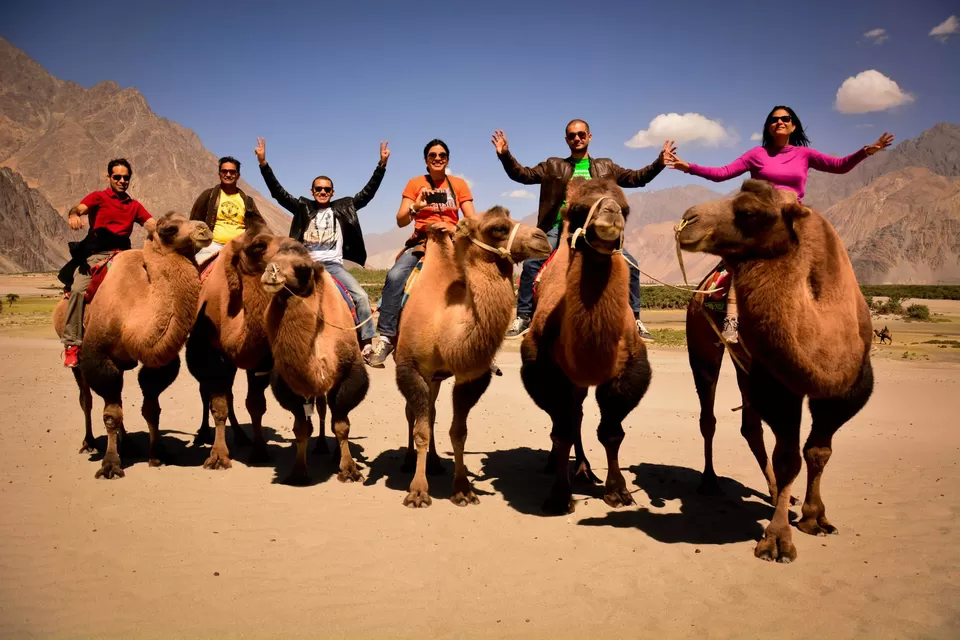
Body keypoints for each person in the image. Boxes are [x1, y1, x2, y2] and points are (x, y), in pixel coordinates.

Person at [666, 105, 894, 343]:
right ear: (768, 126)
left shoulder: (805, 155)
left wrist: (866, 152)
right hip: (762, 220)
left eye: (785, 119)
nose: (780, 122)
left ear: (793, 125)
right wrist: (689, 168)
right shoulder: (756, 154)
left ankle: (846, 316)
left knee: (828, 260)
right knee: (746, 260)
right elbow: (723, 172)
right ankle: (732, 318)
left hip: (794, 218)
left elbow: (839, 166)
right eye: (774, 120)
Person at [493, 120, 673, 342]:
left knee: (630, 264)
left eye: (580, 135)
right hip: (559, 227)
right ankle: (524, 318)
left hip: (594, 229)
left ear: (589, 137)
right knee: (532, 263)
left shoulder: (606, 167)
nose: (576, 139)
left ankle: (635, 319)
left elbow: (636, 178)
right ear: (566, 140)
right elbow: (523, 174)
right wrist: (505, 155)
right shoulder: (553, 166)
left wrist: (659, 163)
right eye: (571, 136)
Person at [255, 137, 389, 366]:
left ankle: (366, 344)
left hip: (334, 266)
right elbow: (278, 193)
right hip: (304, 264)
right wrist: (263, 164)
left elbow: (366, 194)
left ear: (332, 192)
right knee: (274, 292)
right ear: (312, 190)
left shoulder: (343, 207)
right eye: (318, 189)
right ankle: (267, 341)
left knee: (361, 296)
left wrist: (381, 166)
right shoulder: (302, 207)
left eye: (327, 189)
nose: (323, 192)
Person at [366, 139, 475, 367]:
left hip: (452, 241)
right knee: (395, 277)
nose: (437, 158)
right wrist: (416, 206)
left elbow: (472, 219)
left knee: (477, 278)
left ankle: (476, 341)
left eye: (442, 155)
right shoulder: (415, 183)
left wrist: (455, 228)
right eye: (433, 155)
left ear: (447, 158)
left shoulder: (459, 185)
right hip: (422, 242)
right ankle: (386, 337)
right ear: (426, 160)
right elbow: (401, 220)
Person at [60, 158, 156, 367]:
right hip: (97, 254)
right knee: (78, 290)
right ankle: (72, 344)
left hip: (124, 255)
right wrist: (74, 214)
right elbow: (79, 208)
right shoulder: (99, 197)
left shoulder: (134, 205)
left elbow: (151, 225)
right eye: (117, 177)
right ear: (109, 177)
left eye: (126, 177)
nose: (122, 181)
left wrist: (169, 230)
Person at [190, 156, 265, 264]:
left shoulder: (247, 201)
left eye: (232, 172)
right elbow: (194, 221)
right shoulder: (209, 196)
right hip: (212, 246)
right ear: (219, 174)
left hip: (240, 249)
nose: (228, 174)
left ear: (238, 175)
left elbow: (260, 226)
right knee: (197, 271)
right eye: (224, 171)